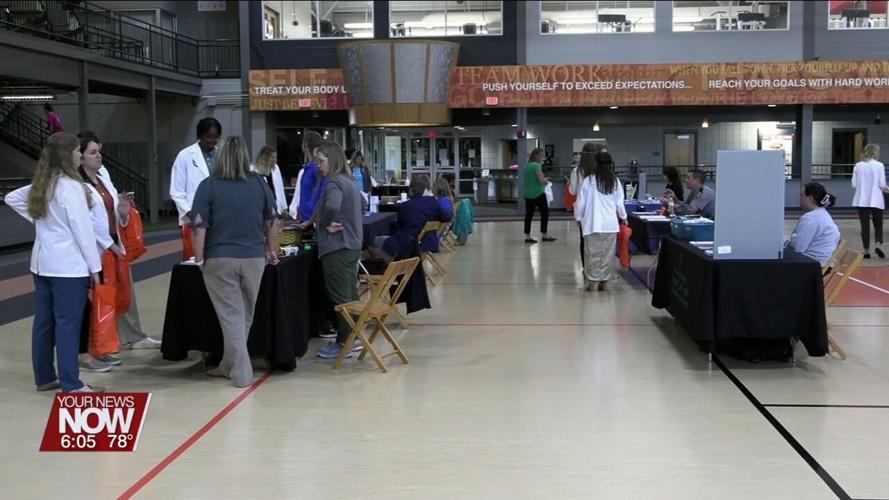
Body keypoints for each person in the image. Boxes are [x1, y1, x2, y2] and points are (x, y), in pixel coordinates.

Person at [5, 132, 103, 392]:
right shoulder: (72, 188)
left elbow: (11, 198)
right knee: (68, 324)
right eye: (76, 151)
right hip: (68, 267)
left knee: (44, 323)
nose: (80, 154)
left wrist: (40, 220)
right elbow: (83, 232)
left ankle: (45, 377)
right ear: (66, 155)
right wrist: (96, 269)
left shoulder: (44, 183)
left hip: (42, 263)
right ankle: (72, 383)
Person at [190, 136, 279, 388]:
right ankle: (228, 365)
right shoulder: (258, 183)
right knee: (244, 315)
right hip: (253, 258)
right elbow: (272, 218)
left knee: (231, 316)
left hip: (220, 258)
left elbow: (198, 226)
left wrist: (198, 258)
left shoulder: (208, 186)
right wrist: (271, 249)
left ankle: (240, 372)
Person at [78, 132, 162, 354]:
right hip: (98, 248)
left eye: (99, 152)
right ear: (80, 156)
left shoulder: (102, 177)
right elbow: (87, 221)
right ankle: (99, 346)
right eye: (93, 152)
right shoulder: (78, 185)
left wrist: (123, 212)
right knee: (102, 297)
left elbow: (112, 212)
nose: (99, 156)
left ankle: (131, 336)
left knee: (124, 292)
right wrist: (108, 244)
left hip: (115, 241)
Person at [312, 142, 366, 360]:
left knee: (341, 298)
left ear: (332, 160)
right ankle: (354, 337)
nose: (317, 166)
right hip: (352, 244)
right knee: (350, 294)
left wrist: (325, 223)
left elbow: (331, 206)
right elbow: (361, 205)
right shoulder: (349, 180)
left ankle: (345, 341)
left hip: (337, 247)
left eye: (321, 161)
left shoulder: (334, 182)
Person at [574, 152, 627, 292]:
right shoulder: (614, 181)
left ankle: (592, 282)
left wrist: (578, 217)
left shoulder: (589, 181)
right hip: (610, 225)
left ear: (596, 164)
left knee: (592, 254)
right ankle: (605, 282)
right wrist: (624, 217)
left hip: (592, 224)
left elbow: (581, 203)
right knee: (607, 255)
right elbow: (619, 203)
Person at [170, 117, 221, 260]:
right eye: (208, 137)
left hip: (218, 216)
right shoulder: (185, 156)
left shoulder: (221, 156)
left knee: (216, 258)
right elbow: (176, 190)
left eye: (215, 137)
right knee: (195, 258)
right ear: (200, 135)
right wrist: (189, 212)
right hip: (193, 217)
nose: (212, 141)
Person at [373, 175, 452, 262]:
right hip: (427, 244)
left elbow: (396, 229)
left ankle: (392, 269)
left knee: (374, 240)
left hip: (408, 245)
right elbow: (446, 217)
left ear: (412, 189)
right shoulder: (435, 203)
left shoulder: (405, 206)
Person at [787, 183, 841, 266]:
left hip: (812, 266)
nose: (800, 199)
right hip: (820, 263)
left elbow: (798, 247)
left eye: (802, 195)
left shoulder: (811, 218)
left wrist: (790, 241)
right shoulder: (821, 214)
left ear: (810, 198)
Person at [851, 144, 888, 259]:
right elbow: (882, 184)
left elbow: (854, 185)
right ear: (875, 152)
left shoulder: (857, 166)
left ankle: (866, 250)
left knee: (864, 225)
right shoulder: (879, 165)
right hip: (876, 199)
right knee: (878, 224)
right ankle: (878, 244)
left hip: (861, 200)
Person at [289, 131, 324, 222]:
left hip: (312, 219)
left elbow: (321, 194)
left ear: (306, 145)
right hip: (305, 217)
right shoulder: (307, 168)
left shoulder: (316, 169)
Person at [523, 147, 555, 243]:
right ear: (535, 156)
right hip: (538, 193)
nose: (543, 157)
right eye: (541, 155)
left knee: (529, 215)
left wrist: (543, 178)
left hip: (528, 194)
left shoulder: (527, 166)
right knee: (544, 214)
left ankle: (528, 236)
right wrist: (546, 180)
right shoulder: (537, 166)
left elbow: (533, 178)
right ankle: (544, 234)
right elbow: (541, 180)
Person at [252, 145, 288, 216]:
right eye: (272, 157)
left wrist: (284, 207)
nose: (275, 159)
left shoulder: (276, 168)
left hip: (275, 204)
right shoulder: (255, 171)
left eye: (275, 157)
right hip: (263, 204)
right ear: (265, 158)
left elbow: (280, 189)